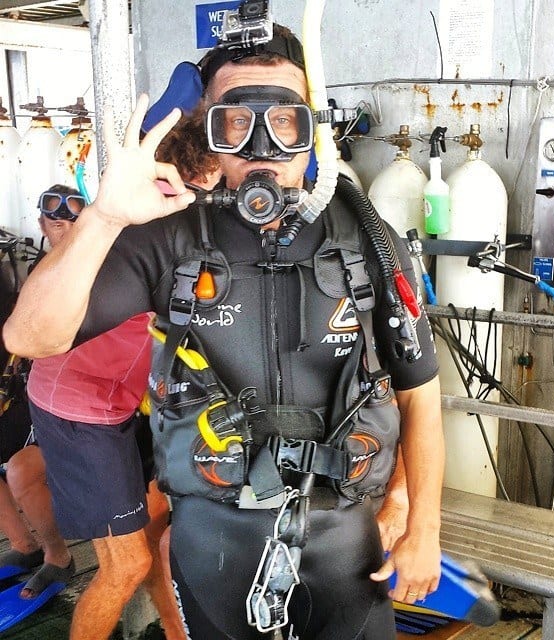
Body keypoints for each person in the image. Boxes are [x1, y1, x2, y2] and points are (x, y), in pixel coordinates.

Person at [4, 22, 445, 640]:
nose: (263, 146)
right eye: (236, 122)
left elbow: (418, 392)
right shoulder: (170, 237)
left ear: (311, 126)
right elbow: (30, 336)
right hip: (214, 546)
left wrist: (422, 521)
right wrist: (103, 218)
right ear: (209, 131)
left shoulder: (368, 237)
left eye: (284, 120)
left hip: (349, 549)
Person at [21, 184, 184, 640]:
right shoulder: (103, 249)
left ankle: (175, 632)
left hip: (129, 405)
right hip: (80, 409)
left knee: (152, 534)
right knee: (126, 564)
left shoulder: (173, 236)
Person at [0, 263, 73, 599]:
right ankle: (23, 545)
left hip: (74, 411)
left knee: (21, 471)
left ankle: (58, 556)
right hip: (29, 402)